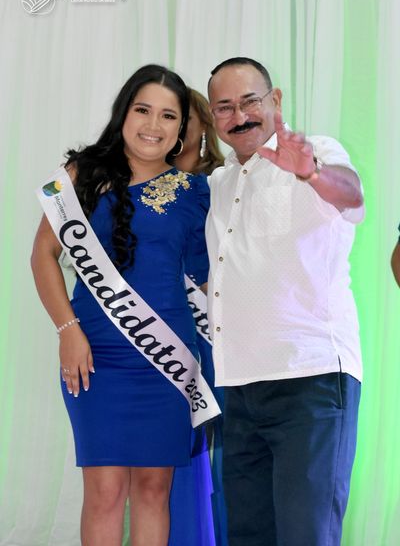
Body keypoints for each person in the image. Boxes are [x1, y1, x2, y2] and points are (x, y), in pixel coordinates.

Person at [31, 64, 216, 546]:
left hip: (167, 358)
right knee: (105, 491)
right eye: (143, 110)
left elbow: (206, 279)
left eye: (168, 116)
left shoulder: (194, 191)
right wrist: (68, 330)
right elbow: (43, 255)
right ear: (123, 113)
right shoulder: (80, 173)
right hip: (94, 356)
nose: (153, 125)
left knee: (154, 489)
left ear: (181, 127)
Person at [205, 57, 365, 546]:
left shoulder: (317, 152)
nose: (239, 116)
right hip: (239, 387)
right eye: (224, 107)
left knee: (305, 534)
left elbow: (351, 195)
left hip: (310, 380)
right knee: (248, 534)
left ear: (275, 100)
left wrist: (310, 172)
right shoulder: (219, 182)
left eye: (250, 101)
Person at [175, 87, 228, 546]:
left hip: (218, 335)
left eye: (180, 116)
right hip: (165, 337)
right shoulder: (136, 187)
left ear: (203, 126)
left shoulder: (222, 184)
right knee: (176, 451)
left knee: (229, 453)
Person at [175, 87, 224, 176]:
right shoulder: (151, 175)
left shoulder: (222, 176)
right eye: (170, 117)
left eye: (186, 118)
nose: (177, 126)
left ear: (204, 124)